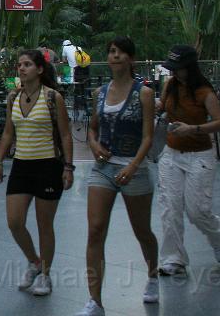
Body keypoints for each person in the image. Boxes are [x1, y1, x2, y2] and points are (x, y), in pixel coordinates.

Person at [77, 37, 159, 316]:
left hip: (134, 169)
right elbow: (92, 128)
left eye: (121, 52)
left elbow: (149, 137)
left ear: (131, 59)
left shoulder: (144, 94)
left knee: (142, 231)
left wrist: (133, 166)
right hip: (104, 168)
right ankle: (95, 301)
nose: (115, 56)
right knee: (96, 229)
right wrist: (93, 144)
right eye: (111, 52)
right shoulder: (99, 92)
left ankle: (153, 274)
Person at [0, 49, 74, 297]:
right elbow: (9, 132)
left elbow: (65, 134)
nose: (22, 68)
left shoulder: (53, 98)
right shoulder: (13, 98)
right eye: (19, 65)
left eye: (27, 64)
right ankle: (34, 261)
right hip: (21, 165)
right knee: (14, 222)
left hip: (48, 165)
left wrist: (68, 167)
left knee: (44, 224)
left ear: (39, 69)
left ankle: (46, 276)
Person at [157, 44, 220, 276]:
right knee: (170, 207)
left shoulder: (204, 91)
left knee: (197, 210)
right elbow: (163, 107)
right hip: (171, 153)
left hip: (199, 155)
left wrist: (193, 129)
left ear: (189, 67)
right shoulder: (170, 85)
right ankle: (173, 258)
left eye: (178, 68)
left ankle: (218, 237)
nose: (174, 72)